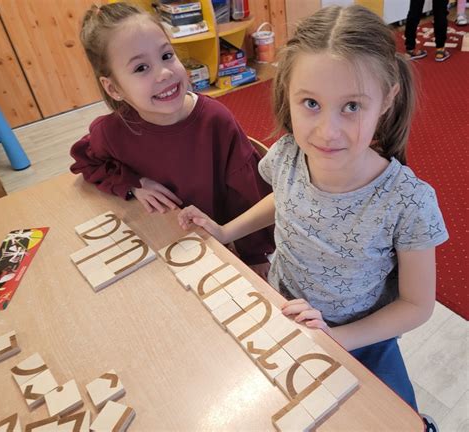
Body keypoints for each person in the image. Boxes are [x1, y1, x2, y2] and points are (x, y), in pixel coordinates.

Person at [178, 4, 448, 419]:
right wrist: (224, 231)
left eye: (352, 106)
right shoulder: (288, 152)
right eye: (310, 103)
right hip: (285, 309)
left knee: (394, 419)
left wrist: (337, 339)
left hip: (363, 339)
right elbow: (284, 199)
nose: (327, 131)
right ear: (287, 91)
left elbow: (417, 305)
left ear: (388, 100)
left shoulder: (409, 201)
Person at [70, 3, 274, 276]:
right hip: (162, 243)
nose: (164, 72)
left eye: (167, 55)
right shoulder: (112, 131)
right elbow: (86, 162)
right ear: (114, 88)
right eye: (141, 67)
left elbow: (248, 193)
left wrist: (254, 256)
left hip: (220, 246)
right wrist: (134, 184)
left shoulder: (215, 120)